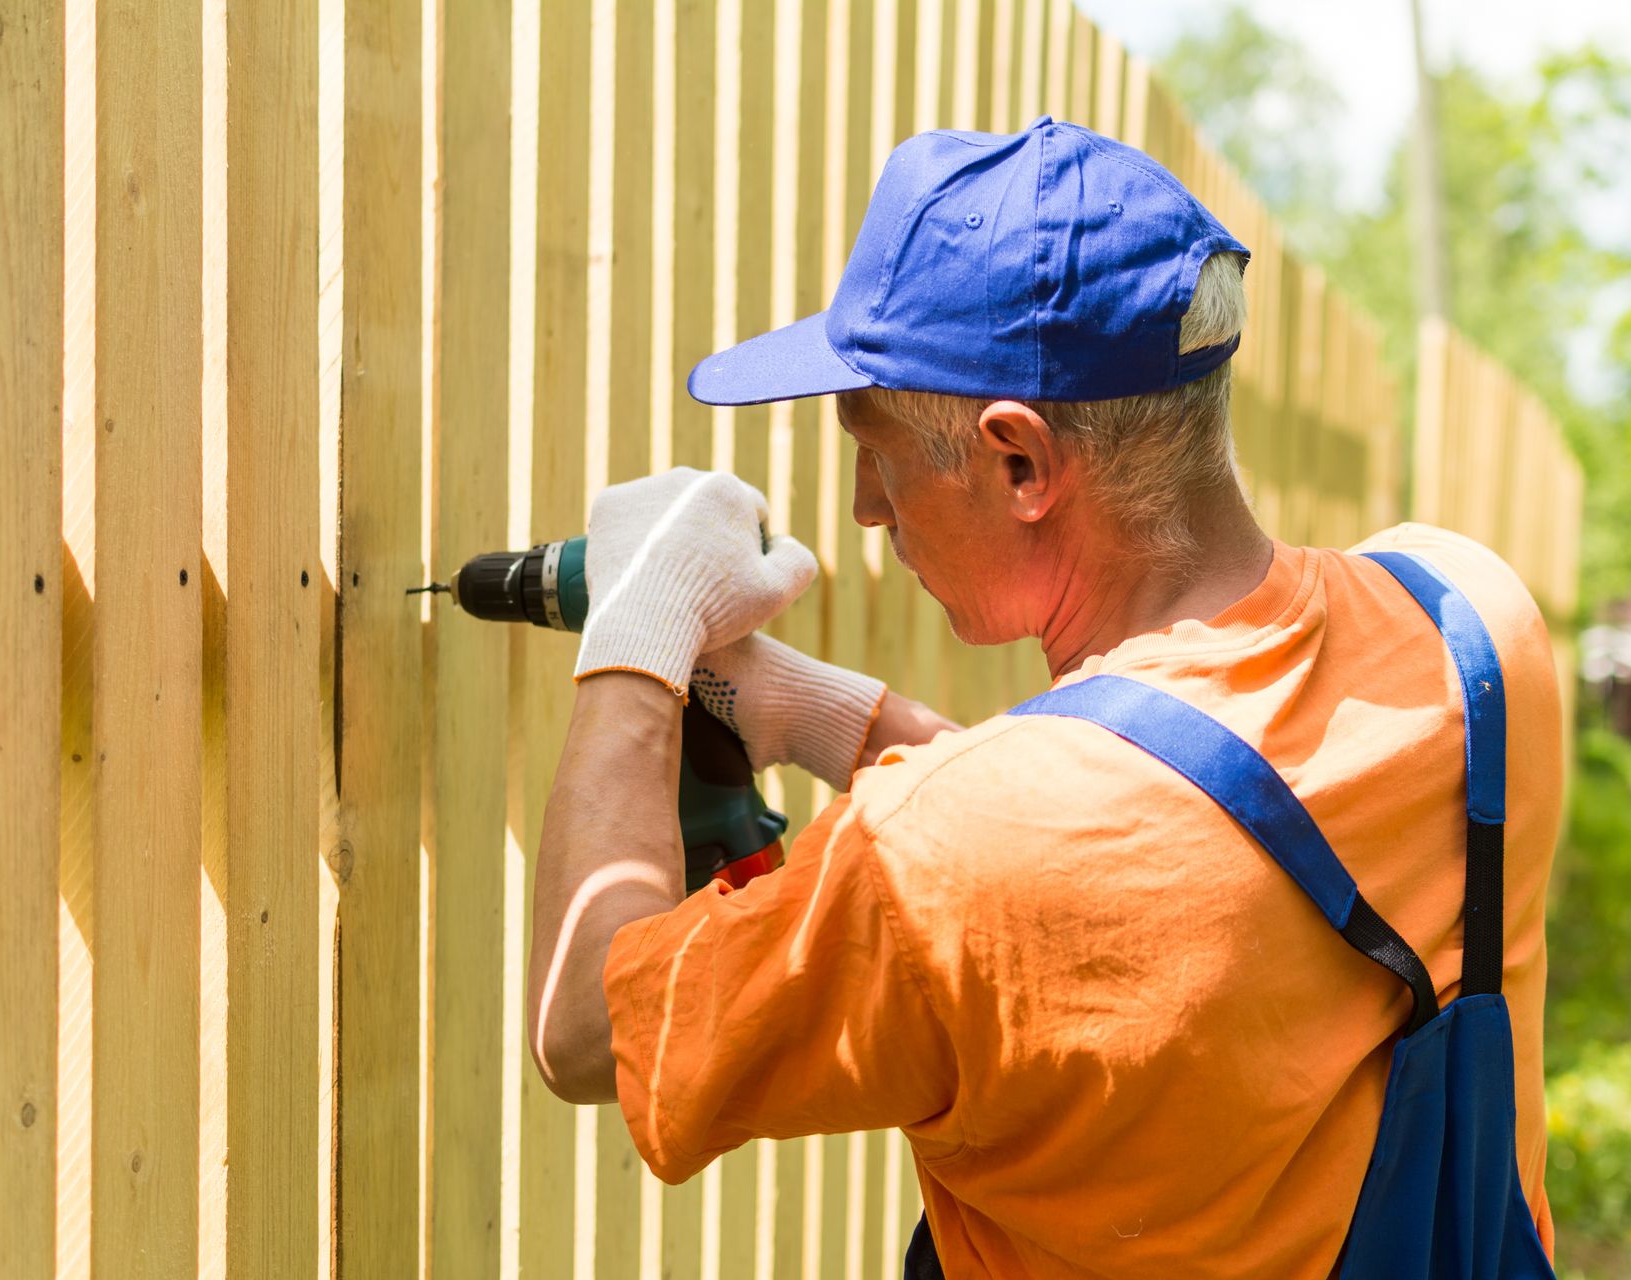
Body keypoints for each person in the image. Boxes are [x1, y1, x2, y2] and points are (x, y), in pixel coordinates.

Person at [525, 116, 1561, 1278]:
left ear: (1019, 459)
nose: (868, 503)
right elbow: (1161, 847)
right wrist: (827, 714)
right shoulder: (1473, 627)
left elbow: (582, 1027)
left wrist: (640, 633)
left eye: (873, 444)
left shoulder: (947, 858)